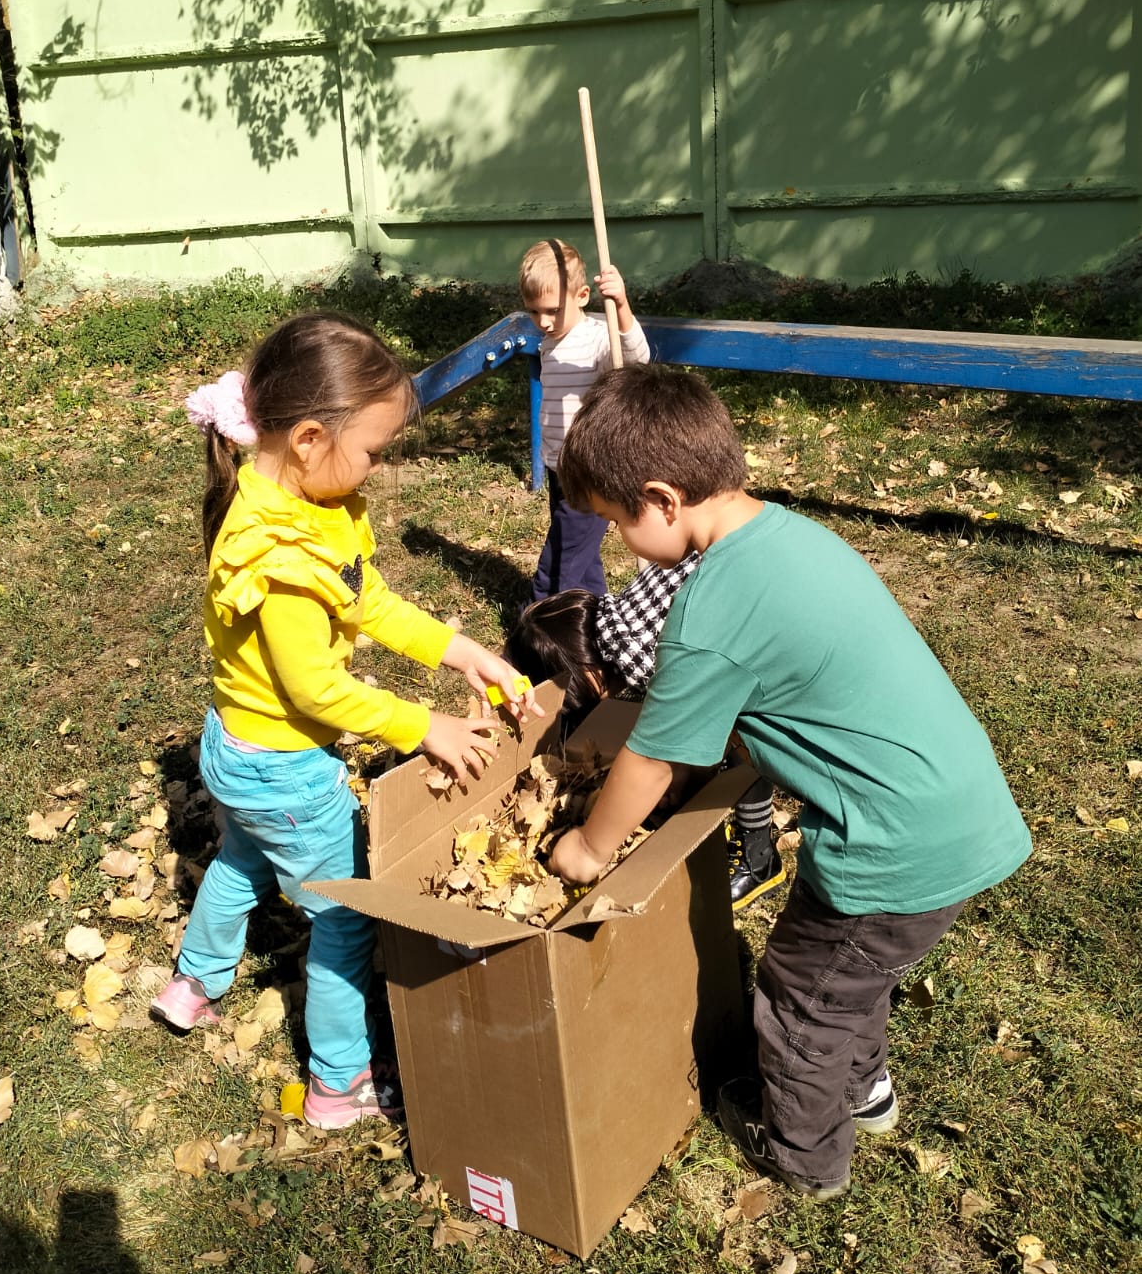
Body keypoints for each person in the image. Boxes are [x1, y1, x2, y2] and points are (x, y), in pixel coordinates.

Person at [546, 365, 1032, 1202]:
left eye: (618, 521)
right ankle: (864, 1092)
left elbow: (655, 757)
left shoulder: (709, 612)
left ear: (661, 500)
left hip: (892, 849)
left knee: (804, 996)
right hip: (954, 805)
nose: (620, 543)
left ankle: (805, 1159)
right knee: (852, 977)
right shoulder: (791, 538)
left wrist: (590, 847)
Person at [151, 313, 535, 1130]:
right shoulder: (280, 559)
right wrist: (418, 724)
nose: (378, 465)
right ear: (310, 439)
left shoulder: (304, 502)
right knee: (344, 918)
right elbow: (317, 690)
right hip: (288, 768)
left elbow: (370, 600)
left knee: (245, 858)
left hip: (240, 755)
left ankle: (192, 985)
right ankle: (338, 1084)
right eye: (373, 449)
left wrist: (459, 650)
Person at [504, 561, 785, 909]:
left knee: (748, 738)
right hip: (765, 605)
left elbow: (692, 729)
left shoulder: (649, 658)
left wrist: (596, 841)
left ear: (578, 675)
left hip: (774, 663)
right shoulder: (623, 619)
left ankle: (758, 857)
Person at [519, 237, 649, 599]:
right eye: (533, 312)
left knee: (561, 558)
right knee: (581, 554)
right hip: (561, 465)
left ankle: (537, 626)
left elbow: (635, 358)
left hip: (592, 468)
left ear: (582, 296)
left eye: (551, 310)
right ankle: (593, 613)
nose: (542, 322)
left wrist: (621, 306)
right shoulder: (551, 341)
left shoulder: (596, 336)